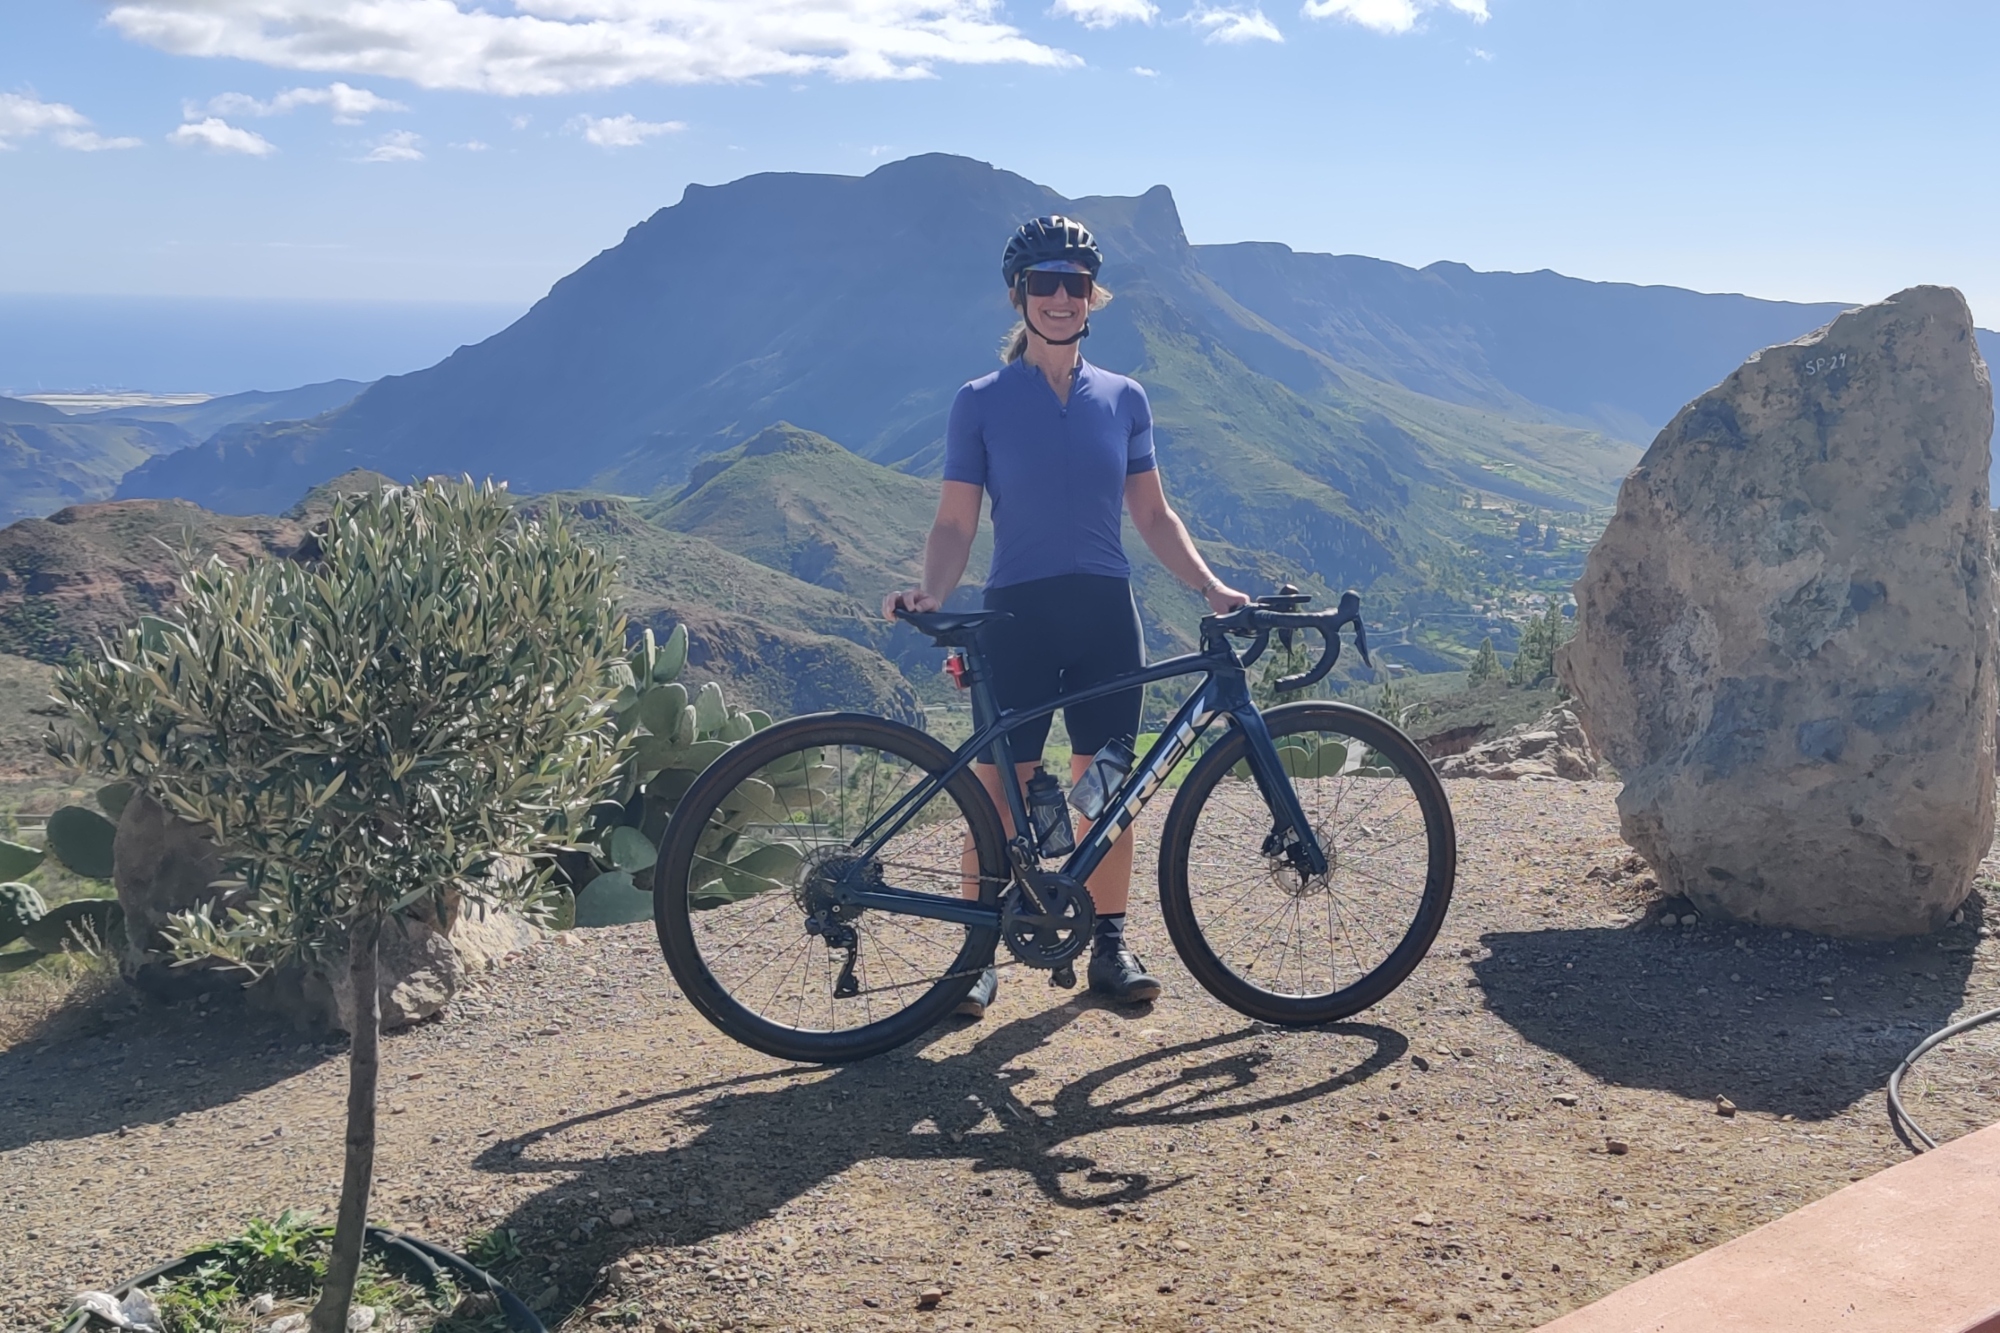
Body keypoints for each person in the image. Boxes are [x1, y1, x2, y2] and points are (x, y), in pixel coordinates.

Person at [881, 215, 1251, 1018]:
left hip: (1105, 615)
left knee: (1106, 786)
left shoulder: (1125, 398)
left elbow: (1154, 517)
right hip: (1017, 613)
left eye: (1073, 283)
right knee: (998, 789)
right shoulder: (979, 402)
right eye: (1042, 283)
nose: (1057, 297)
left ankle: (1110, 945)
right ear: (1019, 297)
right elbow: (954, 522)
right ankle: (976, 954)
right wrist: (933, 592)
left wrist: (1211, 588)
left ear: (1093, 297)